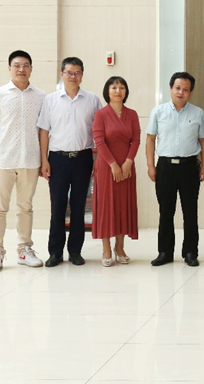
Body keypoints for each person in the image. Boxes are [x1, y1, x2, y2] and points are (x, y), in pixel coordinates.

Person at [0, 50, 46, 273]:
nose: (21, 69)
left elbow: (44, 131)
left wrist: (44, 160)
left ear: (31, 69)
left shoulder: (41, 96)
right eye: (17, 65)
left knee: (25, 207)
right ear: (9, 68)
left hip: (30, 160)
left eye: (25, 65)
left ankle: (24, 250)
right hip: (3, 160)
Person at [38, 57, 103, 267]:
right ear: (62, 74)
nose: (73, 76)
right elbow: (44, 132)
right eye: (69, 72)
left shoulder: (92, 100)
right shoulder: (50, 100)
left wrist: (97, 160)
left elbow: (99, 132)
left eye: (77, 73)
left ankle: (75, 251)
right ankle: (55, 252)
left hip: (83, 158)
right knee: (57, 206)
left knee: (78, 206)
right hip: (57, 159)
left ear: (82, 75)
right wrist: (44, 160)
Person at [146, 72, 204, 267]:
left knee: (190, 212)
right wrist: (150, 166)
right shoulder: (158, 112)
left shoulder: (198, 113)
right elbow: (150, 139)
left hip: (189, 167)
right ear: (171, 89)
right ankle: (165, 252)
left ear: (191, 92)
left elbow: (203, 141)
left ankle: (190, 252)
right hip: (165, 167)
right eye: (177, 88)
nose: (181, 92)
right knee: (166, 211)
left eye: (185, 89)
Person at [92, 76, 140, 267]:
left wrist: (128, 162)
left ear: (126, 92)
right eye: (113, 87)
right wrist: (113, 164)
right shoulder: (101, 114)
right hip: (106, 167)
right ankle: (106, 248)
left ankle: (119, 247)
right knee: (106, 206)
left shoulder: (132, 114)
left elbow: (136, 140)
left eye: (121, 87)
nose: (118, 91)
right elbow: (99, 141)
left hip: (127, 166)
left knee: (122, 205)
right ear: (107, 91)